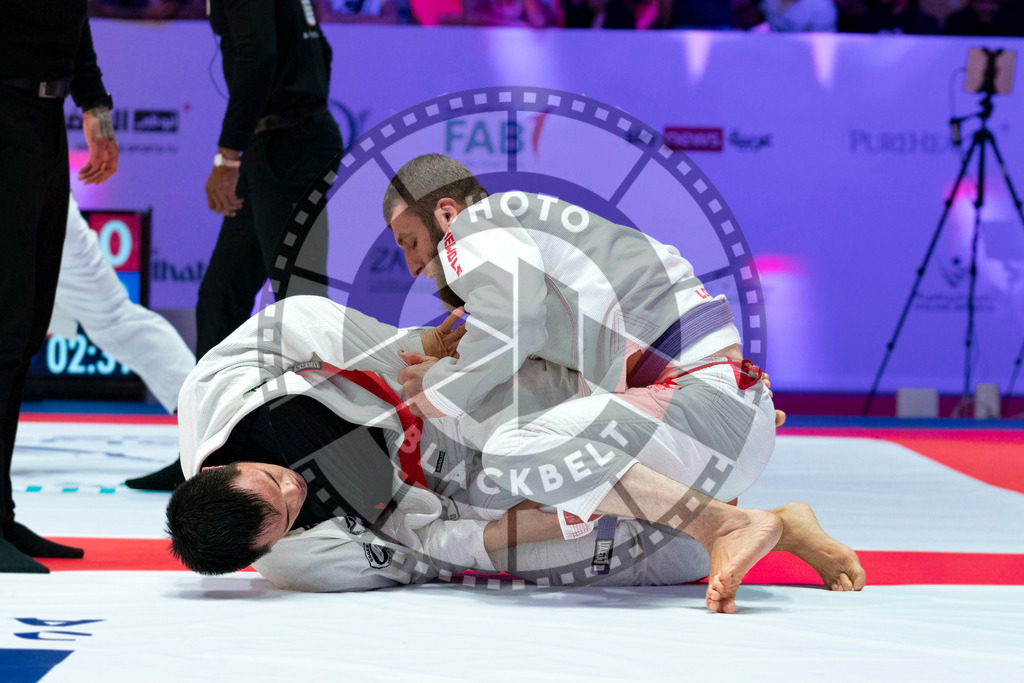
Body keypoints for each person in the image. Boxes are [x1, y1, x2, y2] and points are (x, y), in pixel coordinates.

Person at [167, 296, 864, 598]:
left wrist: (429, 357)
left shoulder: (218, 387)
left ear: (222, 463)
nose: (292, 489)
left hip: (423, 393)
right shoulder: (301, 564)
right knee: (614, 560)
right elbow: (432, 548)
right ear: (263, 552)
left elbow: (304, 321)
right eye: (284, 515)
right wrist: (546, 526)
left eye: (272, 480)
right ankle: (772, 525)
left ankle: (718, 442)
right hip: (435, 486)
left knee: (553, 419)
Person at [383, 154, 841, 611]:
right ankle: (780, 525)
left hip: (701, 408)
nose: (411, 264)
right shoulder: (537, 243)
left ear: (446, 214)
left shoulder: (478, 226)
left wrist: (441, 388)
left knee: (512, 452)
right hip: (721, 410)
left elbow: (516, 322)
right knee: (618, 513)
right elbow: (524, 329)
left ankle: (721, 524)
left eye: (410, 241)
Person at [128, 0, 345, 491]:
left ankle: (323, 456)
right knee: (221, 295)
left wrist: (228, 153)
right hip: (278, 142)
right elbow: (318, 49)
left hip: (287, 144)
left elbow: (257, 55)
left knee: (302, 308)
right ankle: (203, 448)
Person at [1, 1, 119, 573]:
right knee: (1, 330)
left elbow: (72, 20)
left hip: (44, 122)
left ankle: (0, 513)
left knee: (22, 330)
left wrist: (95, 106)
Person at [50, 193, 195, 414]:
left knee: (113, 316)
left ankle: (199, 406)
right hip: (44, 200)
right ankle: (201, 406)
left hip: (43, 202)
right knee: (114, 317)